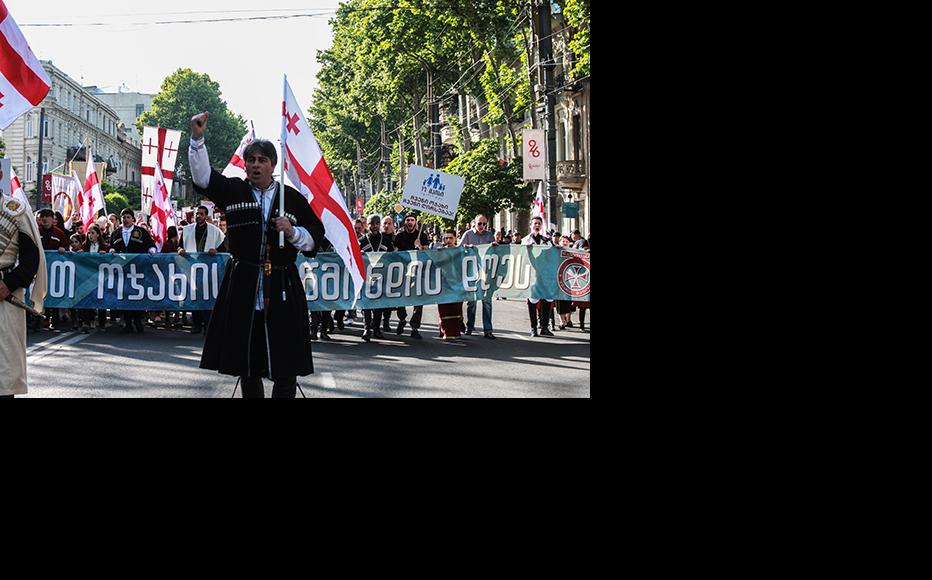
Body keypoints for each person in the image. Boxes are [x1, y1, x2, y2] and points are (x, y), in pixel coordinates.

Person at [189, 111, 325, 398]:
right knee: (247, 366)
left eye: (262, 160)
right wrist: (198, 138)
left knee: (285, 368)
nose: (254, 165)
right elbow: (203, 178)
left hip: (283, 287)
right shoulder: (233, 190)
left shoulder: (292, 198)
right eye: (251, 160)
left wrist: (293, 233)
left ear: (273, 165)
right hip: (243, 286)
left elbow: (316, 239)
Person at [1, 193, 47, 398]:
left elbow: (31, 257)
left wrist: (8, 284)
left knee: (5, 360)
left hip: (4, 293)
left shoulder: (15, 210)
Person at [179, 206, 226, 334]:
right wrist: (180, 250)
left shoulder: (214, 230)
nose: (198, 216)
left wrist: (216, 250)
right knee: (194, 296)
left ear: (206, 216)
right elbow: (179, 245)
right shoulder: (187, 230)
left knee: (208, 295)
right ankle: (196, 324)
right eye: (196, 214)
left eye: (201, 214)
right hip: (192, 268)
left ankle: (208, 323)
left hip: (209, 270)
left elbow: (223, 246)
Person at [110, 208, 157, 333]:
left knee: (137, 296)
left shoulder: (141, 232)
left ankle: (138, 321)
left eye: (128, 217)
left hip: (138, 270)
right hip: (123, 271)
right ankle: (128, 323)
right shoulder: (116, 233)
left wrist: (151, 250)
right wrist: (112, 251)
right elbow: (111, 246)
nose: (125, 220)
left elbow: (151, 245)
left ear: (133, 219)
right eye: (123, 217)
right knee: (125, 296)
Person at [459, 214, 498, 339]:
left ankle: (488, 330)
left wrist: (495, 247)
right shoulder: (468, 235)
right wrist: (466, 247)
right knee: (472, 302)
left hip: (486, 273)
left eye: (484, 224)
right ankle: (469, 327)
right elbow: (458, 249)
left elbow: (494, 252)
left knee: (487, 302)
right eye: (479, 224)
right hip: (472, 273)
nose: (481, 226)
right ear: (474, 223)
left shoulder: (488, 235)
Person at [391, 213, 430, 340]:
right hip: (403, 272)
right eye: (408, 220)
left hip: (418, 272)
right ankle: (402, 319)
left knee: (418, 300)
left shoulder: (422, 236)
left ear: (415, 222)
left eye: (412, 220)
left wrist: (420, 247)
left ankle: (415, 327)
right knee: (400, 298)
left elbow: (428, 252)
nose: (410, 222)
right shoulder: (399, 236)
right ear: (405, 222)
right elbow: (395, 253)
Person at [358, 214, 393, 342]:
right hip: (366, 277)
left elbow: (393, 257)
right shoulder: (362, 241)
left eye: (377, 223)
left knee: (379, 303)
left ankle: (376, 328)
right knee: (366, 303)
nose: (375, 226)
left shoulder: (386, 241)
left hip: (381, 277)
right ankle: (367, 328)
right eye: (372, 224)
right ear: (368, 225)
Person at [522, 216, 554, 337]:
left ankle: (544, 326)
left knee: (547, 300)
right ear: (531, 225)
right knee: (533, 301)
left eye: (539, 223)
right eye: (535, 223)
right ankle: (533, 327)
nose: (537, 225)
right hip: (532, 275)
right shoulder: (526, 239)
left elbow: (552, 252)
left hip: (545, 275)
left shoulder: (546, 240)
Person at [437, 230, 465, 341]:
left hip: (457, 284)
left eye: (450, 238)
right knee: (444, 308)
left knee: (455, 308)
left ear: (455, 239)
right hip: (444, 284)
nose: (448, 240)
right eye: (446, 238)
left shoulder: (460, 251)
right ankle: (444, 331)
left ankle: (455, 331)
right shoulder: (440, 251)